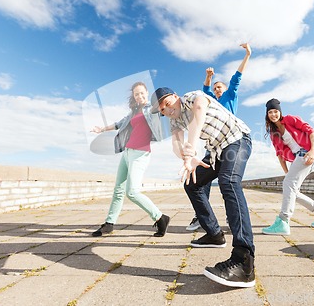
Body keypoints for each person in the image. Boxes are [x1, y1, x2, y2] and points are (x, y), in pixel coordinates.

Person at [151, 87, 255, 288]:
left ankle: (244, 261)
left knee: (229, 182)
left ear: (175, 96)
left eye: (167, 103)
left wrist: (191, 147)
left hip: (237, 139)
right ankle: (214, 234)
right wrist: (186, 156)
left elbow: (200, 108)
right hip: (217, 151)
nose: (166, 110)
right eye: (162, 110)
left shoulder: (190, 97)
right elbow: (176, 142)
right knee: (191, 183)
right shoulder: (175, 120)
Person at [90, 82, 170, 238]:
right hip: (126, 152)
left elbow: (165, 108)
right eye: (136, 94)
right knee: (118, 190)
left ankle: (160, 217)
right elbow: (119, 124)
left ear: (147, 93)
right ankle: (109, 223)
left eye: (141, 93)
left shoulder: (153, 108)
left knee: (132, 192)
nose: (139, 96)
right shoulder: (133, 112)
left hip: (140, 154)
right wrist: (101, 129)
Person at [186, 43, 252, 231]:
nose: (217, 90)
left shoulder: (230, 95)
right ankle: (201, 216)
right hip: (214, 144)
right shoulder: (211, 100)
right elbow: (203, 93)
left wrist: (247, 54)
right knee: (201, 181)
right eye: (215, 88)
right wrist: (208, 78)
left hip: (232, 140)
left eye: (219, 87)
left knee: (229, 182)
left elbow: (237, 77)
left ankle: (233, 218)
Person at [262, 98, 314, 235]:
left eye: (275, 111)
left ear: (280, 112)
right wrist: (287, 173)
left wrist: (312, 151)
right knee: (292, 190)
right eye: (270, 112)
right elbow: (280, 155)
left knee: (289, 186)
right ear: (267, 115)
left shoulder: (290, 119)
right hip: (298, 158)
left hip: (307, 154)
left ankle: (283, 221)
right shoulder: (273, 133)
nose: (273, 114)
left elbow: (312, 132)